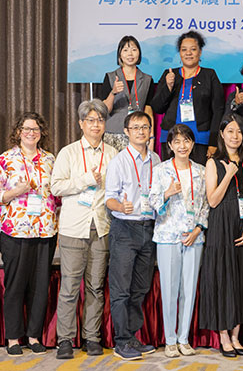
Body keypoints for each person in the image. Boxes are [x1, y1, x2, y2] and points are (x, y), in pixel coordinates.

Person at [50, 99, 118, 359]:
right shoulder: (68, 152)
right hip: (73, 228)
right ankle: (65, 339)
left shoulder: (112, 153)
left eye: (100, 120)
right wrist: (86, 180)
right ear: (81, 124)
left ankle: (92, 337)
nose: (96, 124)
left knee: (95, 287)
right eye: (90, 120)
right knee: (69, 287)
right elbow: (56, 187)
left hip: (101, 228)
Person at [0, 112, 57, 357]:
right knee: (15, 285)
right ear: (18, 132)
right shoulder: (6, 160)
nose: (31, 133)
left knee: (40, 286)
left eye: (36, 129)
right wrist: (15, 191)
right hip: (15, 232)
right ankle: (13, 337)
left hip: (45, 231)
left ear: (41, 133)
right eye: (26, 129)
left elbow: (56, 193)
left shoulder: (49, 159)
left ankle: (34, 336)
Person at [199, 115, 243, 358]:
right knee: (223, 279)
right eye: (230, 131)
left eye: (239, 132)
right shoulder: (213, 163)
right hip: (220, 229)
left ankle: (236, 335)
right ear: (222, 134)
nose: (235, 136)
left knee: (242, 279)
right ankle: (223, 335)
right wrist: (228, 174)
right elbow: (213, 200)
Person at [104, 111, 162, 361]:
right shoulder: (119, 161)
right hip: (125, 229)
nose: (141, 131)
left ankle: (132, 337)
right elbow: (109, 198)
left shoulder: (157, 159)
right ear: (126, 132)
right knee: (121, 289)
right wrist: (121, 206)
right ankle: (121, 341)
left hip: (149, 228)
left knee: (140, 288)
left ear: (151, 131)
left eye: (145, 127)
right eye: (135, 127)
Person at [149, 124, 209, 358]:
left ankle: (184, 338)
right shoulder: (161, 170)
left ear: (192, 144)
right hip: (167, 236)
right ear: (170, 146)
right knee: (170, 289)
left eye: (186, 141)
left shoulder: (201, 171)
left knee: (189, 289)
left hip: (193, 237)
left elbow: (205, 205)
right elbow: (152, 201)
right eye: (177, 142)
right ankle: (170, 340)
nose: (182, 146)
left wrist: (198, 228)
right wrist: (167, 193)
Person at [151, 31, 225, 165]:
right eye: (184, 49)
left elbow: (218, 110)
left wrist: (214, 142)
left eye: (193, 49)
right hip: (171, 139)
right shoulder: (170, 74)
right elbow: (157, 107)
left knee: (198, 181)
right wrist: (168, 86)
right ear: (179, 53)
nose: (188, 53)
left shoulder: (209, 75)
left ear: (200, 52)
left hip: (200, 140)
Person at [97, 35, 155, 151]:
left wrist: (151, 136)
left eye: (134, 50)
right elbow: (105, 110)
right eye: (125, 50)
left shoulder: (147, 79)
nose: (130, 54)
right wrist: (113, 92)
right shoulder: (110, 77)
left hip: (139, 134)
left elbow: (148, 110)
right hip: (114, 132)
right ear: (120, 54)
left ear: (139, 53)